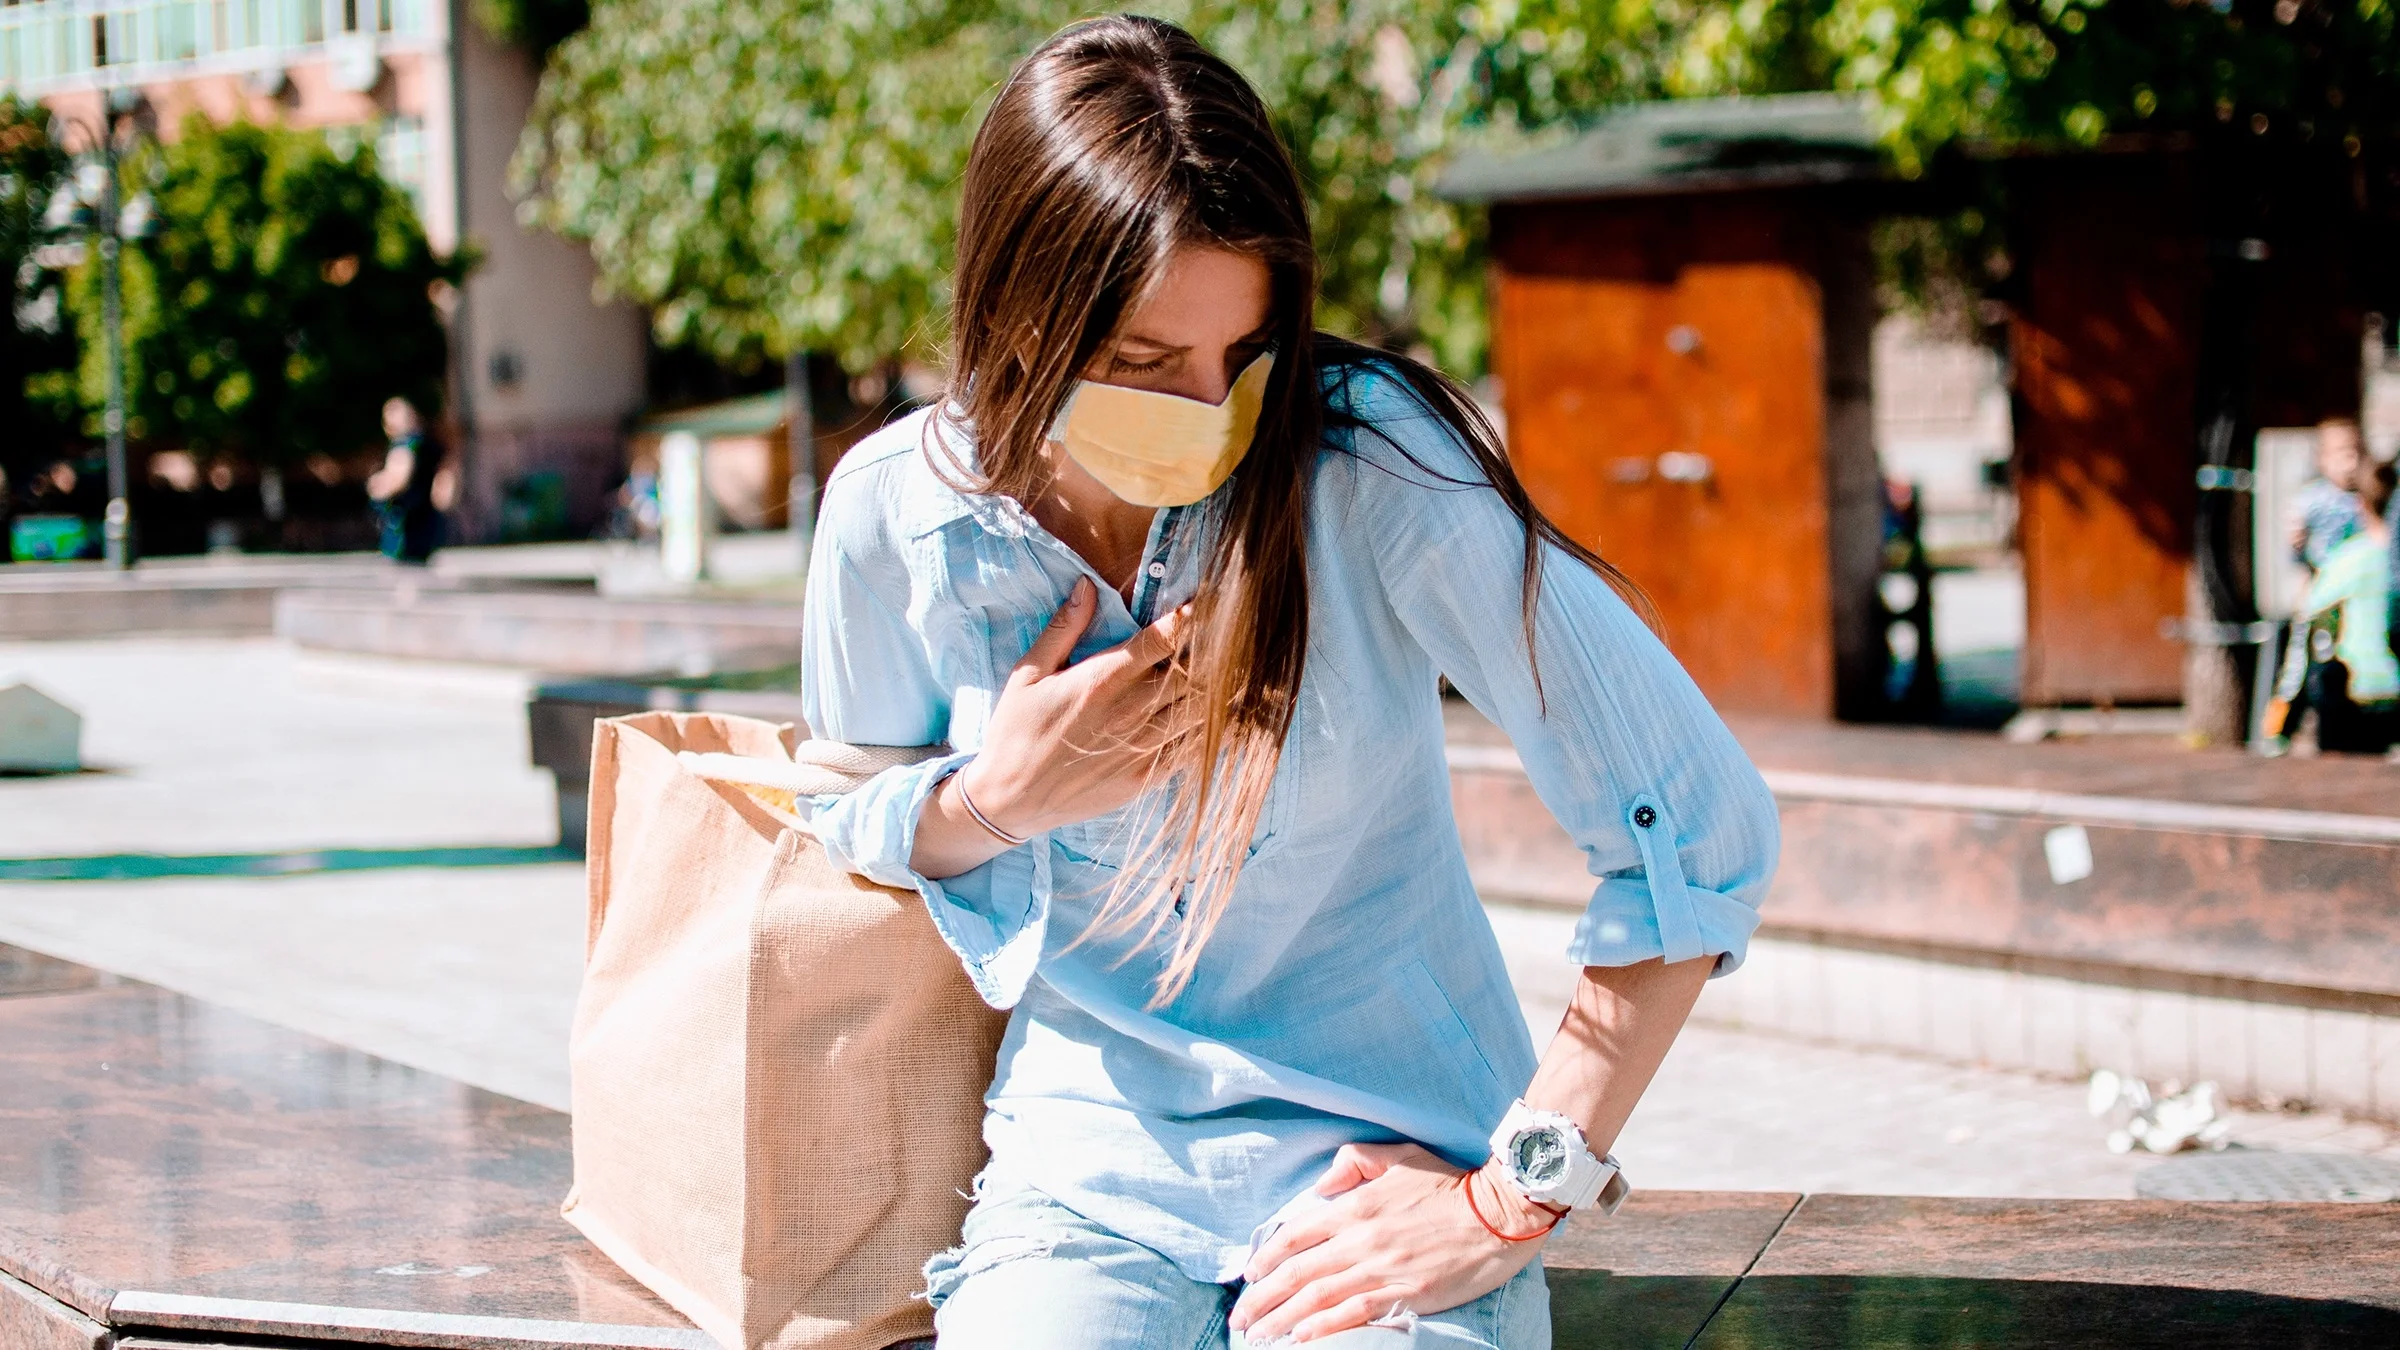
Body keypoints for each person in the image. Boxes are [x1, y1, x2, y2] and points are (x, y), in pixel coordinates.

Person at [800, 18, 1778, 1349]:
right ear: (1018, 310)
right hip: (1086, 1177)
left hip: (1391, 1165)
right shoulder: (894, 516)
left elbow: (1696, 821)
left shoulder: (1370, 463)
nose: (1210, 408)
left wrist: (1511, 1196)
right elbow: (837, 817)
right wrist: (996, 802)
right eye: (1148, 363)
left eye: (1244, 356)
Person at [2267, 458, 2398, 755]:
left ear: (2361, 505)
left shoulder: (2349, 560)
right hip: (2395, 690)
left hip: (2361, 691)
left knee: (2326, 672)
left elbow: (2308, 614)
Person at [366, 397, 454, 563]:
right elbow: (446, 472)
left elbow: (399, 478)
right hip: (426, 520)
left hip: (405, 520)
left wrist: (378, 485)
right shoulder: (428, 443)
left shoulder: (404, 445)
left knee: (406, 571)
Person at [2289, 417, 2367, 573]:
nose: (2352, 462)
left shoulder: (2370, 495)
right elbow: (2295, 551)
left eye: (2356, 450)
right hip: (2324, 575)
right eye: (2341, 452)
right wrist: (2296, 543)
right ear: (2322, 459)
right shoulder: (2310, 499)